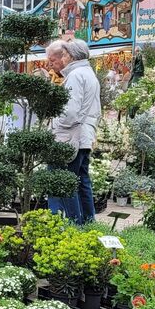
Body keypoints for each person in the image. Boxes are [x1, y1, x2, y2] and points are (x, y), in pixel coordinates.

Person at [45, 39, 101, 224]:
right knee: (82, 182)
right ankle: (88, 222)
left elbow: (69, 112)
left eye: (65, 55)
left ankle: (73, 225)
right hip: (84, 136)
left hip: (70, 137)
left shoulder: (76, 75)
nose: (63, 58)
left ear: (71, 56)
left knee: (65, 183)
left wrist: (55, 123)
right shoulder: (89, 74)